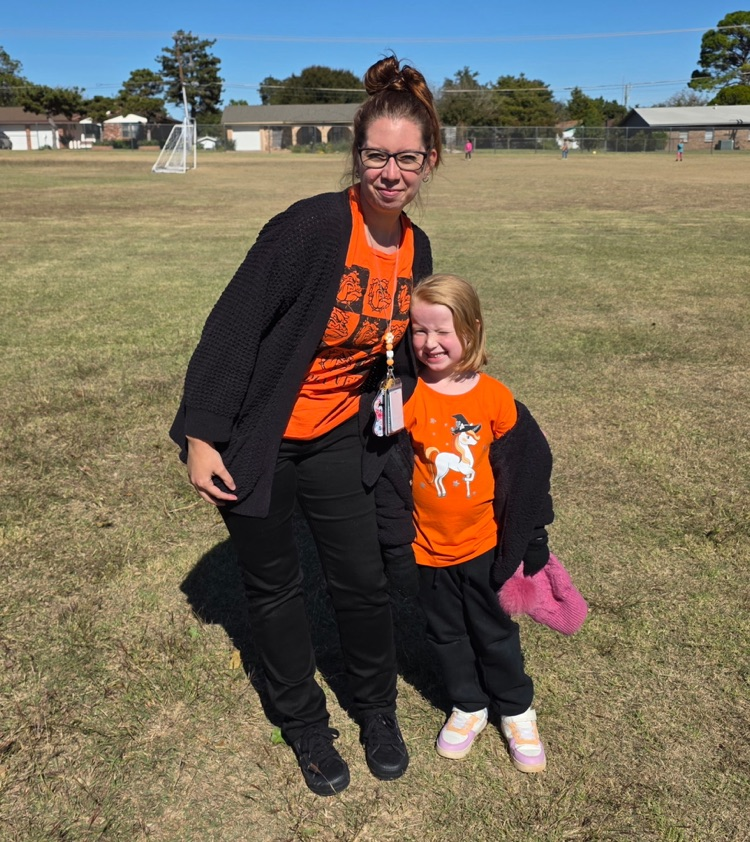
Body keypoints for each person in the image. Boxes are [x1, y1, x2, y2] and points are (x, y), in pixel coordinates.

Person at [169, 54, 442, 797]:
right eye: (376, 155)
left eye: (406, 158)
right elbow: (233, 328)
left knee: (362, 579)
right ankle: (305, 726)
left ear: (430, 161)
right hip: (260, 433)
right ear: (356, 157)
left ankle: (377, 710)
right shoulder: (313, 227)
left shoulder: (415, 247)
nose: (390, 171)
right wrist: (202, 435)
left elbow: (404, 350)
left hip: (337, 436)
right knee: (275, 586)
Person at [380, 274, 555, 773]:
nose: (430, 343)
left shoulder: (495, 398)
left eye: (443, 331)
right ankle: (469, 705)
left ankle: (517, 709)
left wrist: (533, 532)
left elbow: (524, 471)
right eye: (418, 331)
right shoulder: (402, 396)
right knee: (446, 635)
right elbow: (383, 466)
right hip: (426, 551)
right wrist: (394, 543)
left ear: (472, 331)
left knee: (493, 631)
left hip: (484, 546)